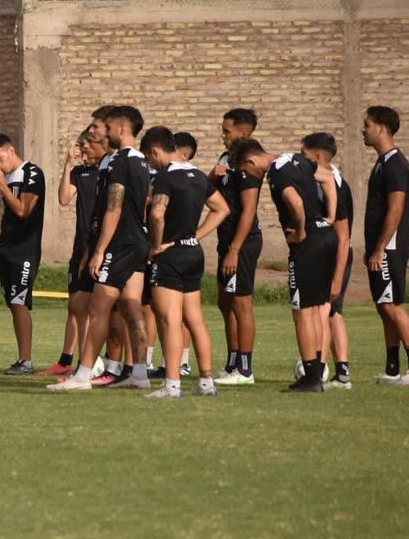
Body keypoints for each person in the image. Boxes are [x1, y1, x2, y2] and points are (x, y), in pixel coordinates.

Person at [49, 105, 151, 392]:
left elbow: (113, 208)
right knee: (131, 306)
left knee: (98, 308)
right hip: (138, 242)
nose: (94, 131)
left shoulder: (120, 162)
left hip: (119, 244)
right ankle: (139, 373)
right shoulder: (142, 161)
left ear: (117, 128)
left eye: (99, 127)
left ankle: (83, 375)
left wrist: (98, 250)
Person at [231, 138, 337, 392]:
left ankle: (311, 378)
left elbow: (296, 202)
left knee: (302, 311)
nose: (250, 176)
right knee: (315, 308)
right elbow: (328, 178)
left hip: (308, 242)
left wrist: (300, 231)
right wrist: (330, 217)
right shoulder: (295, 159)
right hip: (326, 235)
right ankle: (315, 373)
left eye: (246, 171)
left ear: (251, 161)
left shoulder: (277, 171)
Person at [141, 126, 229, 398]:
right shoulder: (198, 175)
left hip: (170, 257)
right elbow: (222, 209)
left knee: (170, 320)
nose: (150, 164)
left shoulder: (166, 177)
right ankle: (206, 382)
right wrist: (194, 236)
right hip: (193, 253)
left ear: (155, 151)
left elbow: (157, 213)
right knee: (195, 320)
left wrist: (156, 245)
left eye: (149, 158)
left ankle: (172, 385)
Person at [361, 105, 409, 385]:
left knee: (392, 305)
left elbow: (396, 209)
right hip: (379, 248)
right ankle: (392, 368)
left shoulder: (396, 164)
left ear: (382, 128)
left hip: (389, 249)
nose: (363, 130)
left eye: (367, 124)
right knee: (383, 305)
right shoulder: (382, 162)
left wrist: (379, 248)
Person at [208, 109, 262, 385]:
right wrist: (212, 176)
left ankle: (245, 370)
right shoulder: (225, 158)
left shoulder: (247, 164)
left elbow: (249, 210)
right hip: (225, 239)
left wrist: (234, 250)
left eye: (226, 131)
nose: (223, 135)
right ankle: (232, 363)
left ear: (244, 132)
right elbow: (208, 192)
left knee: (241, 303)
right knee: (225, 301)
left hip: (242, 243)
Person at [0, 133, 45, 376]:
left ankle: (26, 361)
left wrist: (1, 186)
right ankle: (22, 358)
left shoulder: (32, 173)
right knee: (12, 302)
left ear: (11, 151)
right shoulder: (7, 176)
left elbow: (23, 210)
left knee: (19, 301)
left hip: (25, 248)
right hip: (7, 247)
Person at [43, 130, 99, 377]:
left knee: (91, 307)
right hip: (80, 246)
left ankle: (91, 364)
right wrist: (68, 165)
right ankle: (66, 360)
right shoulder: (79, 173)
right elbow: (64, 198)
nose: (83, 154)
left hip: (98, 246)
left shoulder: (107, 173)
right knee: (75, 305)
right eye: (80, 149)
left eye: (85, 149)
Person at [300, 132, 353, 389]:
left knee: (323, 311)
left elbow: (344, 238)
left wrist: (337, 279)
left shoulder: (337, 187)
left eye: (305, 155)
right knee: (333, 312)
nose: (301, 160)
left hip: (334, 256)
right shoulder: (320, 182)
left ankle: (317, 372)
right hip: (326, 254)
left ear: (319, 156)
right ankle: (342, 375)